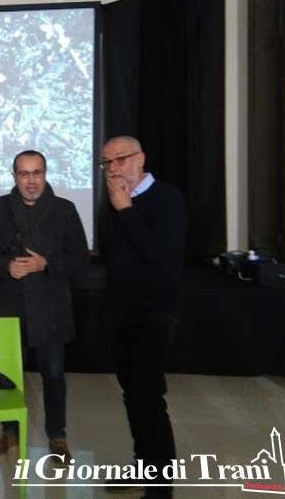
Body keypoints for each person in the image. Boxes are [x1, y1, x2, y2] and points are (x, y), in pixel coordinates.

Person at [0, 150, 88, 465]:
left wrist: (46, 263)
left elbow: (81, 259)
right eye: (24, 174)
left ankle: (57, 436)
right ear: (14, 177)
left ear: (45, 174)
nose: (31, 181)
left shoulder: (64, 210)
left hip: (50, 307)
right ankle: (9, 432)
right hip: (8, 304)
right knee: (6, 374)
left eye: (37, 173)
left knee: (54, 374)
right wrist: (6, 266)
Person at [99, 136, 187, 499]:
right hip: (120, 312)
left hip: (153, 314)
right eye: (107, 163)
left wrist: (125, 208)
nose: (113, 168)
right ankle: (142, 466)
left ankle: (161, 489)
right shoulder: (116, 201)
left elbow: (154, 252)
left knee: (149, 398)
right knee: (132, 395)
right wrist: (120, 207)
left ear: (141, 159)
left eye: (120, 159)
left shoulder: (166, 197)